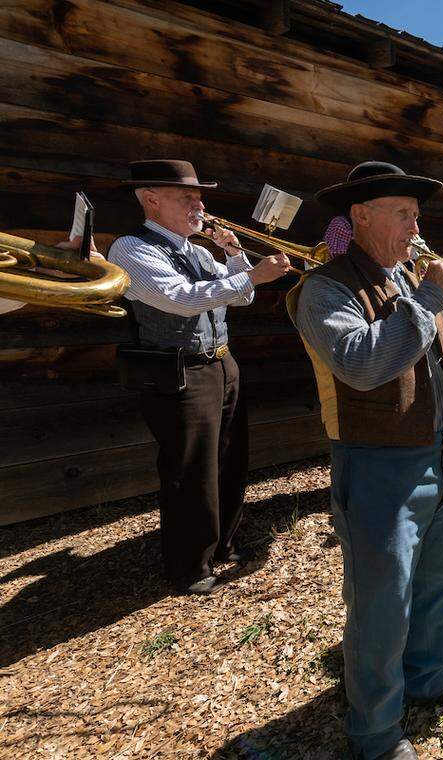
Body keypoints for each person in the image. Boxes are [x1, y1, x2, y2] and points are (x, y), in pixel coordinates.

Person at [289, 161, 443, 760]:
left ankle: (429, 677)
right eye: (403, 214)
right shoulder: (325, 288)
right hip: (376, 464)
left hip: (440, 452)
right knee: (382, 604)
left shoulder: (412, 281)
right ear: (360, 217)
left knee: (441, 578)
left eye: (417, 214)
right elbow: (360, 365)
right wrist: (433, 294)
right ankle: (375, 731)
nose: (417, 227)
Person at [108, 159, 291, 595]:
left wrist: (233, 254)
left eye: (199, 195)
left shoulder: (196, 249)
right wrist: (252, 273)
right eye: (186, 196)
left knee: (230, 456)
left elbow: (240, 296)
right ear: (151, 199)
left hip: (221, 363)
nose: (199, 204)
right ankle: (189, 565)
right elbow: (181, 300)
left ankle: (223, 543)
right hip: (179, 370)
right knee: (190, 469)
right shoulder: (132, 248)